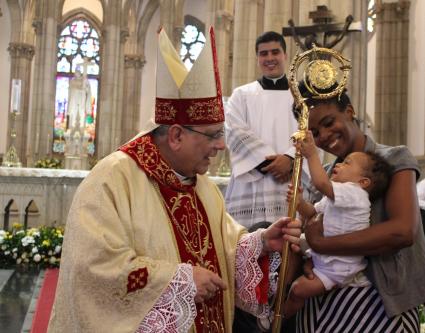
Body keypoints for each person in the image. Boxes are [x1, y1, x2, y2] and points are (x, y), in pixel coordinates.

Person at [48, 27, 301, 333]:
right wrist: (177, 281)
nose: (222, 146)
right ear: (177, 135)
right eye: (213, 135)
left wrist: (259, 243)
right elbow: (91, 269)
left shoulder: (202, 186)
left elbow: (223, 248)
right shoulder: (112, 179)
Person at [290, 79, 425, 332]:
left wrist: (321, 244)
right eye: (314, 133)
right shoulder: (325, 174)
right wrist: (310, 256)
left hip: (380, 303)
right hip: (325, 301)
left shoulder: (393, 159)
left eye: (328, 123)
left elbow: (402, 231)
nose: (323, 136)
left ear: (349, 112)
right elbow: (314, 222)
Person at [282, 132, 393, 319]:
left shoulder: (356, 194)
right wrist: (299, 202)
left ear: (363, 182)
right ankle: (278, 293)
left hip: (336, 269)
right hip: (324, 255)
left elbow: (320, 183)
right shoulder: (336, 196)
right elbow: (312, 213)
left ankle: (279, 319)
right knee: (288, 242)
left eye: (347, 162)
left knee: (298, 290)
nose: (339, 164)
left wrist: (311, 155)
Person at [224, 31, 297, 229]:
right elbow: (234, 131)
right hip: (251, 183)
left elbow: (311, 134)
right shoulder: (242, 95)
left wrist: (290, 160)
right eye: (263, 54)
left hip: (290, 181)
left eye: (275, 52)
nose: (270, 58)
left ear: (285, 55)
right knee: (247, 245)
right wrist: (272, 164)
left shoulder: (301, 95)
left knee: (288, 248)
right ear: (257, 58)